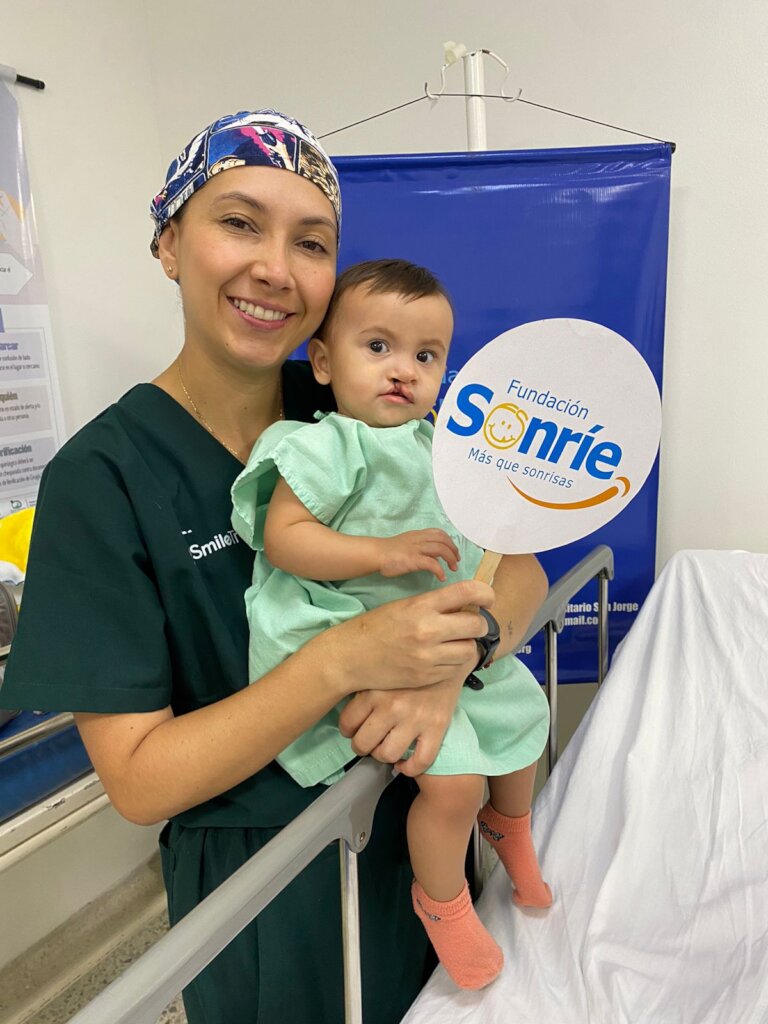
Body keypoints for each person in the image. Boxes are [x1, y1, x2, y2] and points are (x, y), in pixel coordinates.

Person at [0, 110, 548, 1023]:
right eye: (240, 223)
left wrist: (454, 661)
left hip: (422, 831)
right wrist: (344, 661)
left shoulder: (363, 403)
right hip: (265, 884)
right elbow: (139, 781)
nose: (275, 268)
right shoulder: (102, 480)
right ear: (170, 243)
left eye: (312, 241)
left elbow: (517, 568)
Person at [231, 258, 553, 992]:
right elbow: (285, 538)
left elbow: (501, 546)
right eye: (377, 347)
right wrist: (379, 552)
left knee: (524, 708)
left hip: (442, 640)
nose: (402, 370)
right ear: (322, 360)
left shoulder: (447, 445)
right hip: (362, 639)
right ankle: (443, 902)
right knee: (454, 784)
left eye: (425, 355)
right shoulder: (321, 445)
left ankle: (514, 830)